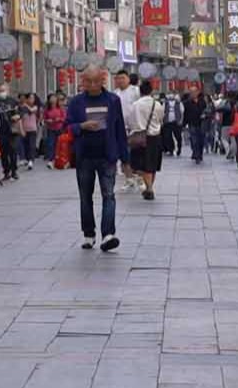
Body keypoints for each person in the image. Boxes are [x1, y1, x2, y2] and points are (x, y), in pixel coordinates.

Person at [65, 66, 129, 251]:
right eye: (88, 81)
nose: (92, 85)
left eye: (96, 81)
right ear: (82, 82)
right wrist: (82, 126)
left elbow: (119, 129)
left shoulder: (112, 100)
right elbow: (67, 127)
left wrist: (125, 159)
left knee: (108, 195)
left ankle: (108, 234)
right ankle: (89, 233)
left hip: (107, 155)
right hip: (84, 155)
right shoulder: (76, 102)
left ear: (103, 80)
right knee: (85, 197)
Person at [130, 78, 166, 199]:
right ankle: (149, 187)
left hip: (140, 138)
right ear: (151, 91)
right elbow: (161, 119)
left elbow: (131, 121)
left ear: (140, 91)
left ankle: (149, 188)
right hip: (155, 137)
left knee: (141, 164)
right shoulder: (157, 104)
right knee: (153, 164)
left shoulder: (135, 105)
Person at [187, 91, 212, 165]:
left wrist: (205, 115)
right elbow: (185, 113)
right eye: (191, 92)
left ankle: (199, 154)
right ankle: (196, 155)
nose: (193, 94)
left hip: (201, 124)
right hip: (192, 124)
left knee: (201, 140)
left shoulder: (202, 102)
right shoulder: (188, 103)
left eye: (194, 92)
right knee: (194, 140)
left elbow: (208, 111)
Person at [43, 93, 68, 168]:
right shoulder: (47, 109)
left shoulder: (60, 108)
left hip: (59, 128)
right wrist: (48, 121)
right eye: (51, 98)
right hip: (51, 129)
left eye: (54, 98)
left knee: (60, 144)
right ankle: (51, 160)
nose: (53, 99)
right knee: (51, 144)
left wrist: (59, 119)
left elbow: (64, 118)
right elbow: (44, 118)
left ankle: (60, 159)